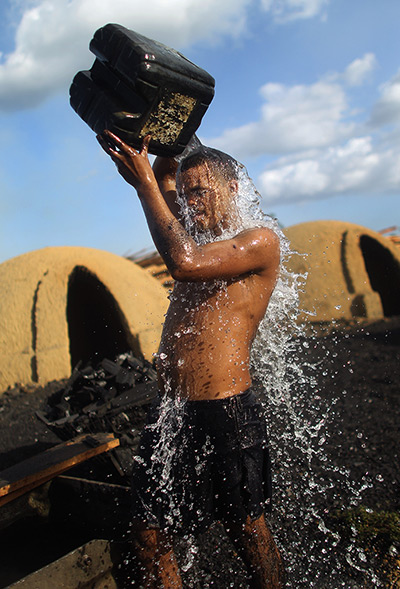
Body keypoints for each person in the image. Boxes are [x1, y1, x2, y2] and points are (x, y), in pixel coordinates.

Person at [97, 131, 284, 588]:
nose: (190, 203)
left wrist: (145, 184)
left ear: (233, 188)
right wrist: (162, 135)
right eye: (184, 194)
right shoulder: (192, 231)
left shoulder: (257, 241)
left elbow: (184, 261)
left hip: (226, 415)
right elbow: (164, 182)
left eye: (200, 191)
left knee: (249, 537)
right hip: (172, 413)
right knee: (146, 532)